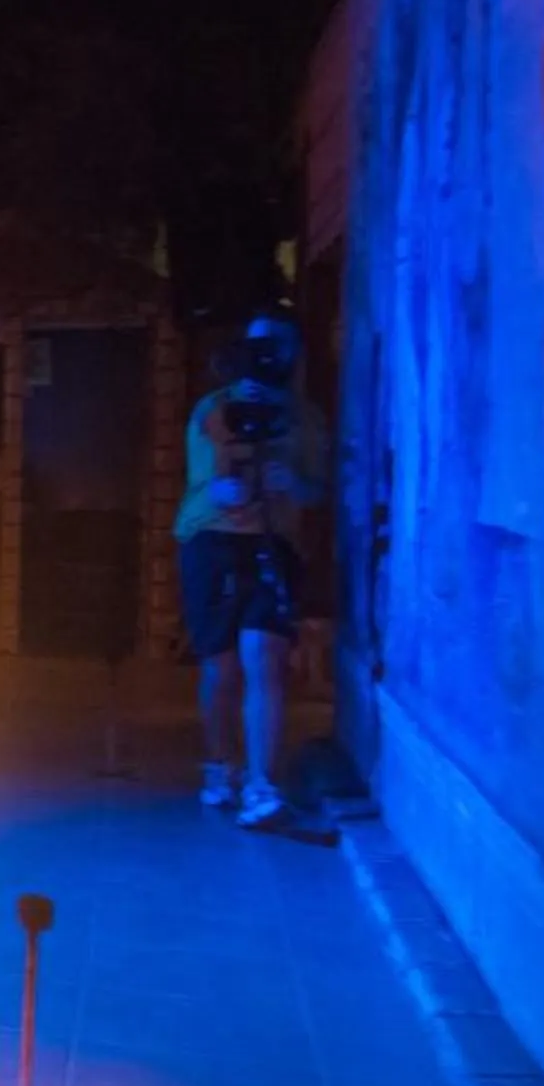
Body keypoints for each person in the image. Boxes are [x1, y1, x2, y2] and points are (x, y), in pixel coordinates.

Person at [177, 307, 329, 828]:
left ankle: (263, 785)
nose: (270, 357)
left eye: (280, 346)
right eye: (260, 346)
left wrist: (293, 484)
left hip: (275, 542)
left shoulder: (306, 419)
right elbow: (213, 483)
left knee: (264, 654)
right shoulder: (214, 409)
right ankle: (222, 765)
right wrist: (234, 482)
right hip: (213, 540)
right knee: (221, 665)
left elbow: (318, 488)